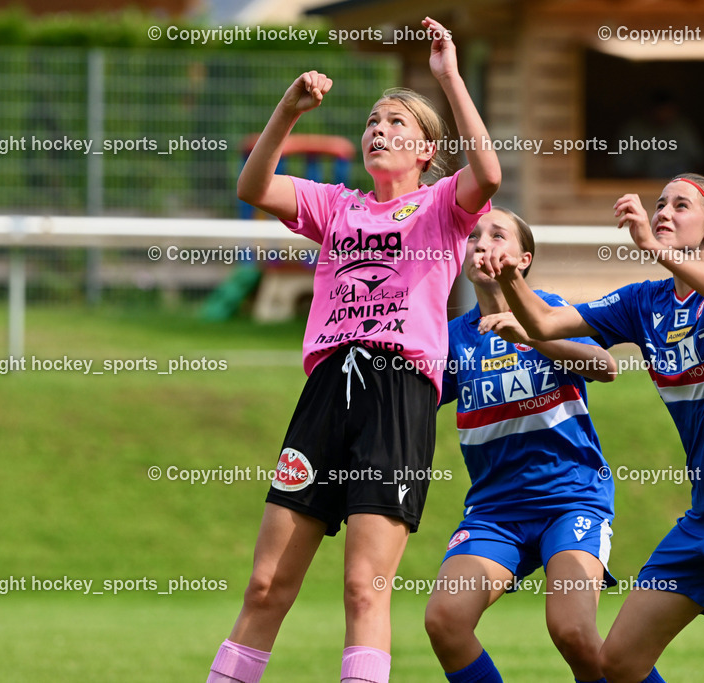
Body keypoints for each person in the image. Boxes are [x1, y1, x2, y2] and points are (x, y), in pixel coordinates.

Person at [207, 17, 500, 683]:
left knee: (364, 590)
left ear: (426, 151)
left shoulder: (442, 207)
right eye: (373, 121)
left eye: (397, 123)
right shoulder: (337, 206)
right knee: (264, 586)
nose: (379, 129)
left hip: (397, 394)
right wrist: (288, 111)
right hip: (325, 392)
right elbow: (253, 187)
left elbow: (488, 172)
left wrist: (450, 77)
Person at [478, 174, 704, 683]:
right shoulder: (643, 304)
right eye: (661, 203)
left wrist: (656, 250)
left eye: (681, 206)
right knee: (618, 662)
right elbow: (545, 324)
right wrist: (510, 279)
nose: (664, 212)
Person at [425, 207, 618, 683]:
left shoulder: (549, 311)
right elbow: (412, 403)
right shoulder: (452, 339)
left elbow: (605, 366)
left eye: (497, 235)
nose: (482, 243)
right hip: (495, 512)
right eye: (473, 236)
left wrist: (531, 334)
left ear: (523, 259)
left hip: (570, 500)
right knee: (445, 621)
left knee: (573, 632)